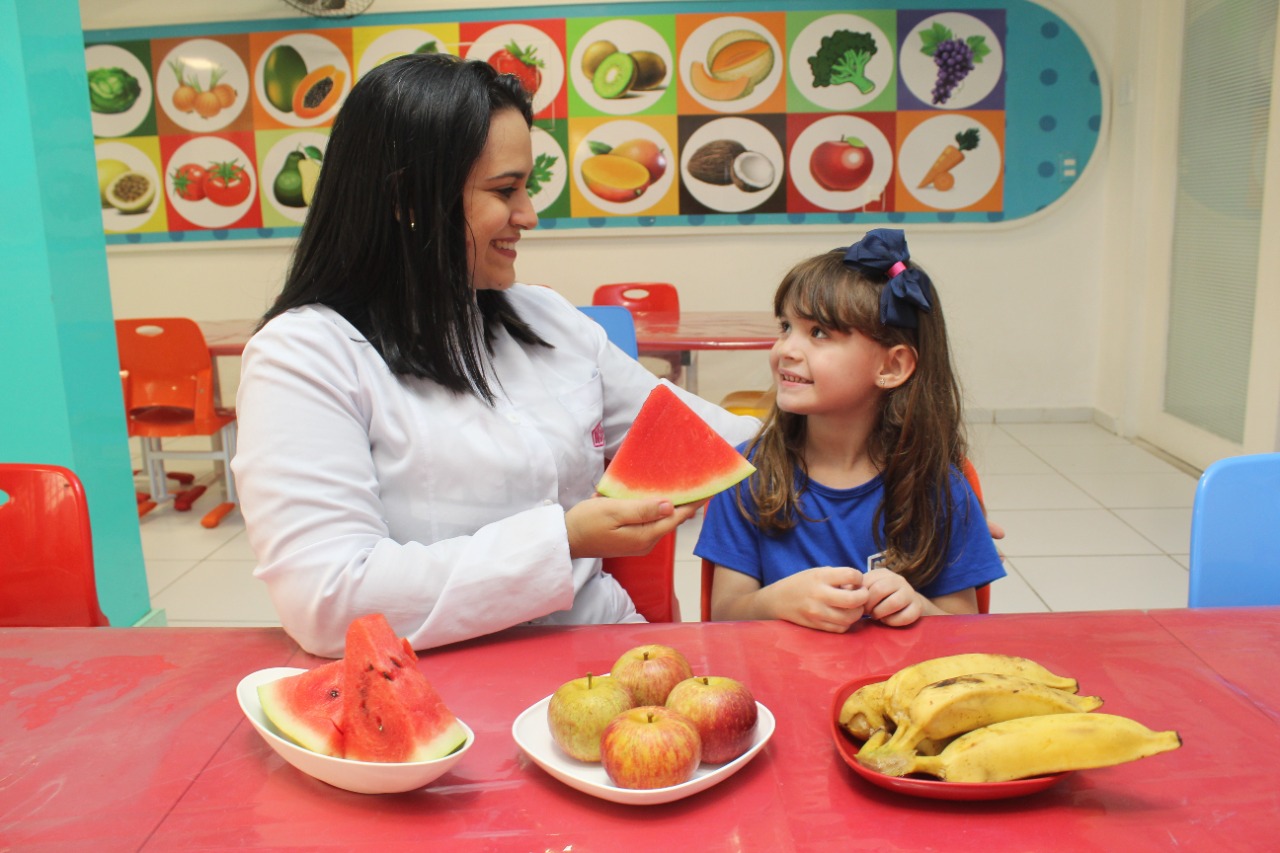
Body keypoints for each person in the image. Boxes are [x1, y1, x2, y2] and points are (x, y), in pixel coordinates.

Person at [232, 54, 757, 657]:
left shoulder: (545, 317)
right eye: (506, 190)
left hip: (605, 650)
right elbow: (328, 600)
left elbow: (702, 436)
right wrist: (561, 541)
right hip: (427, 677)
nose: (529, 216)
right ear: (409, 198)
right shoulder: (303, 355)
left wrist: (843, 418)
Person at [695, 229, 1005, 632]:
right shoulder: (745, 475)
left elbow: (964, 625)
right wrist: (776, 601)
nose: (786, 349)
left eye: (818, 333)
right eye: (786, 326)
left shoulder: (940, 487)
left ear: (891, 367)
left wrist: (916, 605)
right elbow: (724, 614)